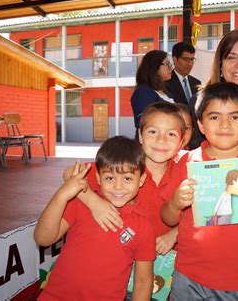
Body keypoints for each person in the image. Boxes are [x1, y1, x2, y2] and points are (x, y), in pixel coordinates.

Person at [161, 82, 238, 300]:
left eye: (235, 117)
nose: (225, 124)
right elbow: (167, 217)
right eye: (214, 117)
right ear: (200, 124)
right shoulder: (187, 162)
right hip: (189, 276)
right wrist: (175, 203)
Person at [35, 136, 155, 300]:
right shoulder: (81, 203)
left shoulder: (143, 225)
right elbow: (43, 238)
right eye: (109, 178)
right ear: (98, 178)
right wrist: (62, 195)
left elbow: (143, 281)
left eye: (127, 178)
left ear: (141, 180)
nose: (118, 186)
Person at [70, 102, 186, 257]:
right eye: (152, 132)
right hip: (124, 257)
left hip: (168, 261)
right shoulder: (127, 165)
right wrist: (94, 203)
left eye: (171, 134)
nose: (161, 140)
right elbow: (70, 173)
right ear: (140, 135)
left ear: (182, 142)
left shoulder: (186, 169)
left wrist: (174, 234)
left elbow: (204, 213)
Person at [131, 50, 174, 139]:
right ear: (155, 67)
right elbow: (146, 123)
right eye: (167, 64)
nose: (171, 68)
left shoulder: (167, 91)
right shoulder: (142, 93)